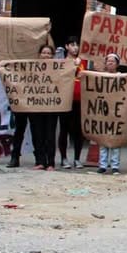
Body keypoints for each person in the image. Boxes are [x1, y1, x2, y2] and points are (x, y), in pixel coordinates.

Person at [28, 44, 59, 171]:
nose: (46, 55)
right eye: (44, 53)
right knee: (37, 134)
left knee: (50, 135)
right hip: (36, 106)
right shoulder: (32, 68)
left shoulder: (58, 68)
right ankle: (40, 161)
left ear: (52, 56)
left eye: (48, 53)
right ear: (39, 54)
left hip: (52, 107)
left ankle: (50, 163)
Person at [58, 36, 87, 169]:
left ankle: (77, 159)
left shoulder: (84, 62)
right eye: (72, 45)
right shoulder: (61, 62)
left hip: (80, 100)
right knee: (64, 129)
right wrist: (73, 67)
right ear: (66, 46)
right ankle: (64, 158)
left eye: (77, 45)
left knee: (78, 131)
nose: (75, 48)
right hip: (65, 100)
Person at [96, 53, 125, 174]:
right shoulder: (100, 76)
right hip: (103, 111)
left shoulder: (122, 76)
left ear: (117, 64)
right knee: (103, 139)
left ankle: (115, 165)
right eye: (108, 61)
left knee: (115, 139)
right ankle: (102, 164)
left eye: (113, 61)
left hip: (117, 112)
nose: (110, 63)